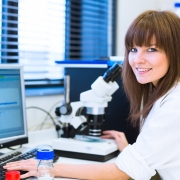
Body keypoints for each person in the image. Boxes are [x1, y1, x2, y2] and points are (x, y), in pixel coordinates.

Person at [4, 10, 180, 180]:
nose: (137, 60)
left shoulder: (173, 107)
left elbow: (121, 174)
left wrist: (47, 167)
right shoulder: (164, 94)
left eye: (151, 49)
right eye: (133, 49)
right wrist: (132, 152)